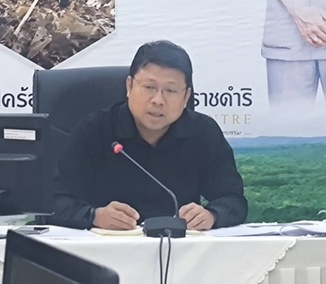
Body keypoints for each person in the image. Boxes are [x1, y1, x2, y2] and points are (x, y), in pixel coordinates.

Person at [52, 40, 249, 231]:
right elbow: (55, 202)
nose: (158, 100)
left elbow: (233, 200)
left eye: (170, 90)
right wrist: (94, 216)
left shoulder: (203, 132)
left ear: (186, 97)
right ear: (129, 86)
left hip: (180, 248)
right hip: (106, 248)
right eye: (149, 87)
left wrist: (211, 215)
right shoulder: (94, 130)